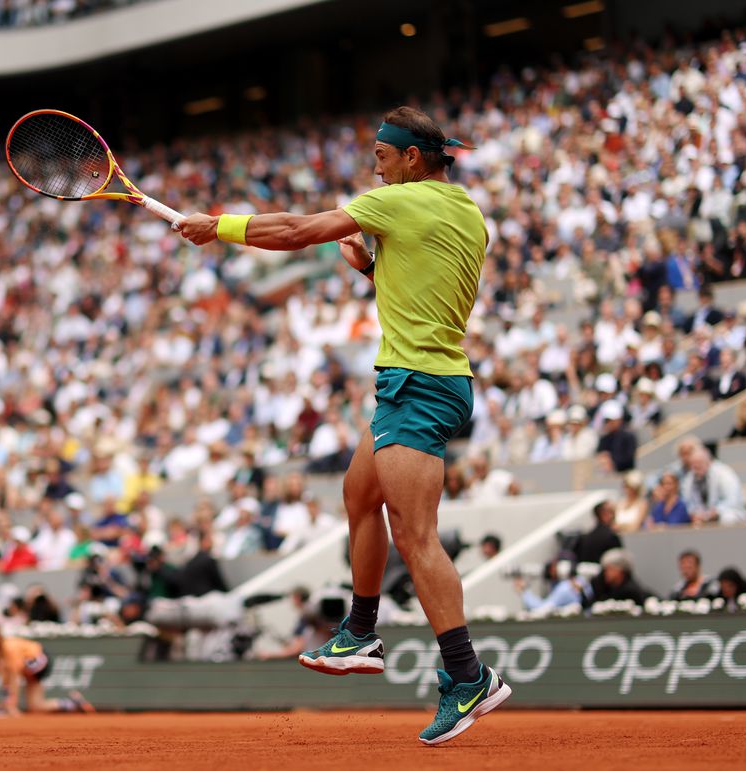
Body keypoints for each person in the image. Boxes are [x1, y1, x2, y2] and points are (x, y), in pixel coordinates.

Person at [178, 106, 510, 744]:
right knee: (359, 493)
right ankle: (361, 633)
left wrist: (219, 227)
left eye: (382, 158)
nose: (374, 169)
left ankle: (468, 676)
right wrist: (369, 269)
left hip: (420, 385)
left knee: (416, 537)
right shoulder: (463, 207)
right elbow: (421, 290)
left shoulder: (401, 202)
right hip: (418, 381)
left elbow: (300, 230)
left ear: (412, 159)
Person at [0, 623, 93, 716]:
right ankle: (72, 704)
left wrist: (12, 707)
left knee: (6, 670)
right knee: (36, 706)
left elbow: (14, 679)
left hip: (39, 658)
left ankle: (8, 705)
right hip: (29, 665)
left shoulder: (9, 648)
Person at [679, 447, 746, 525]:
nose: (696, 466)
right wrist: (695, 513)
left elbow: (733, 500)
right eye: (693, 464)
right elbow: (687, 502)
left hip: (729, 512)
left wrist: (717, 511)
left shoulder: (724, 473)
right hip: (704, 516)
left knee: (728, 518)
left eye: (699, 462)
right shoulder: (689, 479)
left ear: (708, 462)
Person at [585, 549, 653, 607]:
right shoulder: (602, 586)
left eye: (609, 569)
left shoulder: (632, 592)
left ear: (620, 571)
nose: (605, 573)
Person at [595, 400, 638, 472]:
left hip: (625, 473)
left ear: (619, 420)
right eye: (607, 420)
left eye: (611, 420)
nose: (609, 423)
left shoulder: (628, 437)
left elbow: (629, 459)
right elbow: (599, 455)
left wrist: (612, 463)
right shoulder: (604, 439)